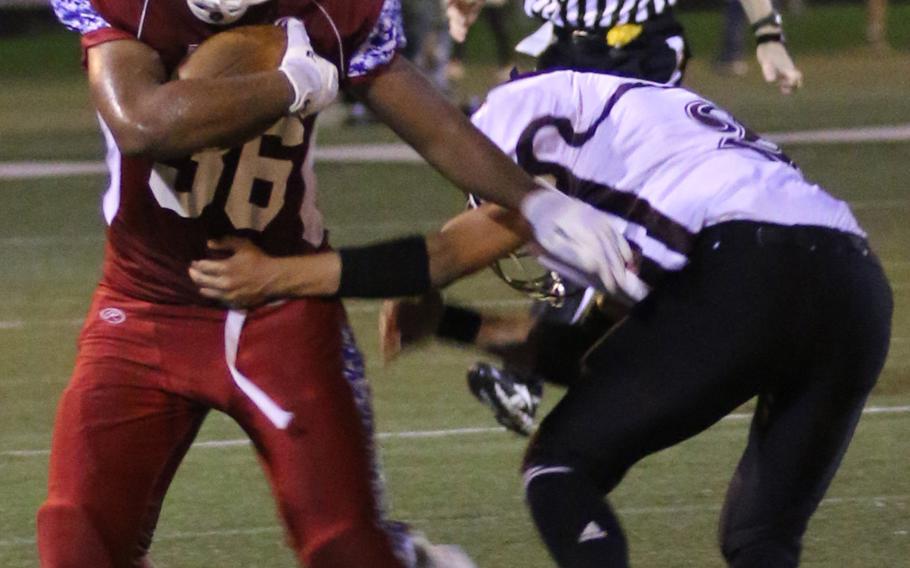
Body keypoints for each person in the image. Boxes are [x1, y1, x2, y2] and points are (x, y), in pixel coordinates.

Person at [188, 68, 893, 567]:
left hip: (745, 264)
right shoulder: (652, 140)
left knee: (560, 464)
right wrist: (455, 326)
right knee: (761, 540)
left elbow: (440, 255)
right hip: (855, 287)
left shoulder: (511, 114)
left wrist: (280, 275)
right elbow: (585, 361)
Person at [42, 0, 632, 565]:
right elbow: (141, 125)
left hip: (281, 311)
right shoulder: (133, 7)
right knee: (77, 536)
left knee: (344, 548)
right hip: (144, 306)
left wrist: (536, 201)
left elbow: (433, 128)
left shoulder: (328, 8)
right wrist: (291, 84)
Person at [447, 0, 802, 92]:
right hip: (566, 48)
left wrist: (769, 34)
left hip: (644, 45)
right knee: (562, 179)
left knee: (647, 166)